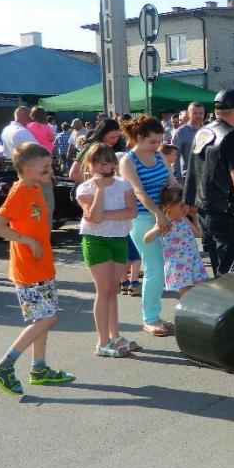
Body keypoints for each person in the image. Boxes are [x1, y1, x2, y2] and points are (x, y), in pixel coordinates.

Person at [0, 143, 75, 395]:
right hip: (28, 269)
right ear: (26, 168)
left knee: (42, 319)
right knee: (48, 318)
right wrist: (28, 241)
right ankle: (4, 366)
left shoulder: (35, 187)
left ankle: (39, 368)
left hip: (41, 266)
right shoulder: (19, 192)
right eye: (44, 168)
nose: (50, 172)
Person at [75, 143, 139, 357]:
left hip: (119, 239)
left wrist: (106, 215)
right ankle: (102, 342)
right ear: (89, 165)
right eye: (96, 163)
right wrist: (100, 190)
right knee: (103, 290)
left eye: (105, 163)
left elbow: (132, 212)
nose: (101, 168)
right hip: (96, 241)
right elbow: (93, 217)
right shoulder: (84, 188)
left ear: (113, 164)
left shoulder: (123, 184)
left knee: (113, 289)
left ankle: (115, 335)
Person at [185, 89, 234, 277]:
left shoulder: (203, 132)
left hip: (207, 213)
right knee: (232, 278)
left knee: (219, 273)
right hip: (229, 217)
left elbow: (193, 173)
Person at [119, 115, 179, 337]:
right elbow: (138, 191)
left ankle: (155, 315)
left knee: (163, 267)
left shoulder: (159, 155)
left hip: (165, 214)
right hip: (142, 218)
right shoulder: (128, 161)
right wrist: (157, 214)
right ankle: (150, 318)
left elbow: (172, 182)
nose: (157, 145)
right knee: (154, 268)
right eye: (152, 141)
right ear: (139, 137)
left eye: (159, 141)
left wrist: (184, 203)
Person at [143, 185, 207, 298]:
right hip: (179, 263)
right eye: (181, 205)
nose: (185, 208)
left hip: (193, 259)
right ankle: (185, 308)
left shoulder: (185, 219)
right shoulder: (165, 223)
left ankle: (197, 307)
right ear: (169, 206)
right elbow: (146, 239)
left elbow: (198, 234)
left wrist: (194, 218)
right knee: (185, 292)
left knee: (202, 288)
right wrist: (156, 229)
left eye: (186, 204)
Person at [171, 101, 206, 184]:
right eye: (195, 113)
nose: (198, 115)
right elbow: (174, 157)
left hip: (205, 178)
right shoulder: (180, 132)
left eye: (200, 113)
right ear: (189, 114)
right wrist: (179, 180)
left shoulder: (208, 131)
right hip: (188, 179)